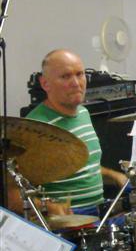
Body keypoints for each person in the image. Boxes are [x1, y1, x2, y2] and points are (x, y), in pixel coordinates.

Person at [8, 49, 127, 217]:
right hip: (69, 224)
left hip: (101, 214)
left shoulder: (83, 113)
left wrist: (114, 175)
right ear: (45, 84)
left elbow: (78, 165)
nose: (76, 83)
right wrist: (49, 207)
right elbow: (13, 197)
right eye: (65, 76)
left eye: (80, 74)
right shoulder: (33, 129)